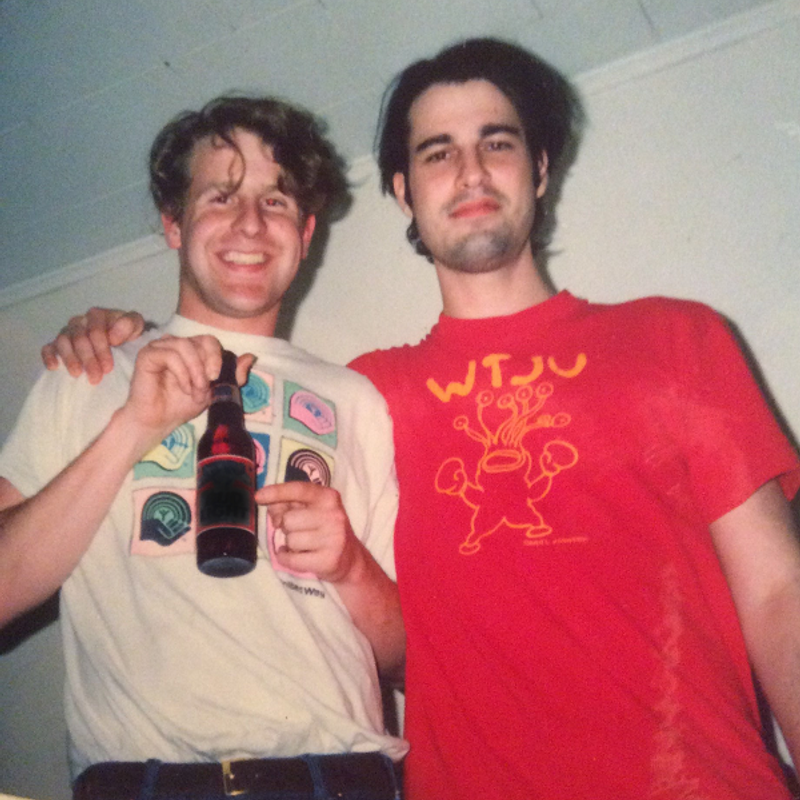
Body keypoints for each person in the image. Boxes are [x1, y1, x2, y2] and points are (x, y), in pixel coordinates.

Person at [39, 38, 800, 800]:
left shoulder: (675, 338)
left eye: (495, 144)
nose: (469, 172)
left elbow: (778, 594)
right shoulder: (364, 397)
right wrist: (120, 336)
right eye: (438, 154)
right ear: (403, 192)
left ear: (538, 168)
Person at [0, 95, 407, 800]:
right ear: (173, 224)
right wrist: (131, 428)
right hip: (144, 783)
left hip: (338, 779)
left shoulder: (356, 399)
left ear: (306, 234)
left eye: (275, 201)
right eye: (220, 195)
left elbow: (404, 658)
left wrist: (349, 567)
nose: (250, 223)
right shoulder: (93, 372)